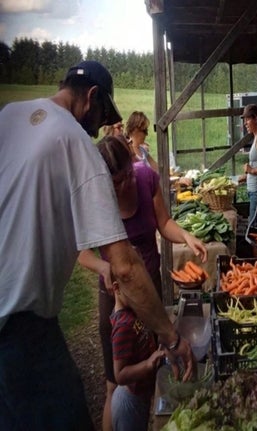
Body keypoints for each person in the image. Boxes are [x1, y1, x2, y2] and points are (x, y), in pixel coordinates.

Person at [0, 60, 196, 431]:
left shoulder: (9, 116)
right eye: (104, 114)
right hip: (21, 326)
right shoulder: (76, 142)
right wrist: (171, 338)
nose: (103, 126)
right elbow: (124, 266)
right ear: (91, 98)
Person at [78, 135, 207, 431]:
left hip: (149, 293)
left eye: (126, 175)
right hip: (117, 299)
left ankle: (152, 418)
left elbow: (164, 223)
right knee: (116, 380)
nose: (124, 184)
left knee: (153, 366)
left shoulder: (146, 177)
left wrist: (186, 236)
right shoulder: (95, 197)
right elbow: (83, 254)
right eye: (116, 181)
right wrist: (104, 266)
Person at [109, 275, 166, 431]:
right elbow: (120, 375)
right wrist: (148, 364)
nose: (138, 292)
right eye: (132, 287)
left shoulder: (133, 311)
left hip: (141, 394)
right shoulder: (123, 327)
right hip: (129, 401)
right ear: (116, 288)